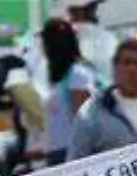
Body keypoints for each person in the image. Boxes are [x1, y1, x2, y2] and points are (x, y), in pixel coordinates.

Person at [37, 17, 99, 166]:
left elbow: (83, 119)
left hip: (70, 153)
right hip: (55, 151)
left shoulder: (78, 75)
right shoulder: (59, 78)